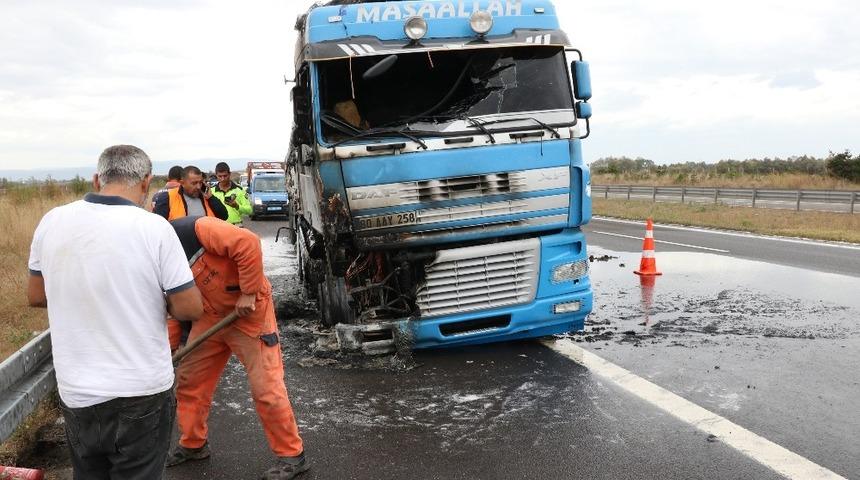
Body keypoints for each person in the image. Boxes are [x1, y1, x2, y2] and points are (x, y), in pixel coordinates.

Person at [27, 145, 204, 479]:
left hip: (78, 392)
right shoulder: (154, 228)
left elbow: (36, 295)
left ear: (97, 178)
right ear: (146, 182)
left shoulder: (52, 221)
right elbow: (190, 307)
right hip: (141, 391)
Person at [166, 216, 308, 480]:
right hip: (208, 316)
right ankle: (193, 444)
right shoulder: (154, 258)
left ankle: (292, 456)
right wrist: (170, 348)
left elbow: (248, 242)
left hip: (249, 313)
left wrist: (249, 291)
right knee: (189, 381)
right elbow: (174, 307)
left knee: (266, 387)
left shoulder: (195, 230)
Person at [153, 165, 228, 221]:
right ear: (182, 183)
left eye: (200, 182)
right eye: (194, 183)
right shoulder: (168, 197)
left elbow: (224, 216)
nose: (198, 187)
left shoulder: (206, 196)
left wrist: (211, 198)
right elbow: (159, 227)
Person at [211, 162, 252, 226]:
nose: (223, 179)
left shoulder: (239, 190)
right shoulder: (211, 191)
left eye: (225, 176)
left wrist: (237, 206)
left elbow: (249, 210)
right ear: (216, 175)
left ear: (229, 174)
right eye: (220, 176)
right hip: (217, 227)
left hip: (236, 226)